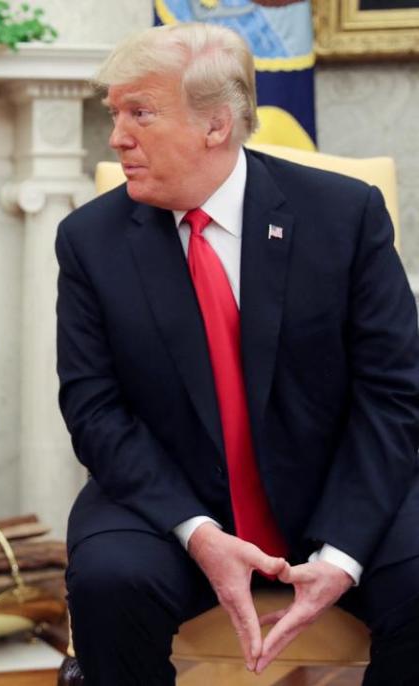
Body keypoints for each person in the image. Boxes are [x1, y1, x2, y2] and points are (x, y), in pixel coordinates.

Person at [56, 22, 419, 686]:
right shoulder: (88, 240)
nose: (115, 138)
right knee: (110, 583)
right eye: (115, 114)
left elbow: (392, 395)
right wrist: (195, 530)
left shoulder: (343, 217)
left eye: (138, 113)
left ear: (215, 126)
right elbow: (94, 408)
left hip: (334, 488)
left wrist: (340, 555)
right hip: (170, 494)